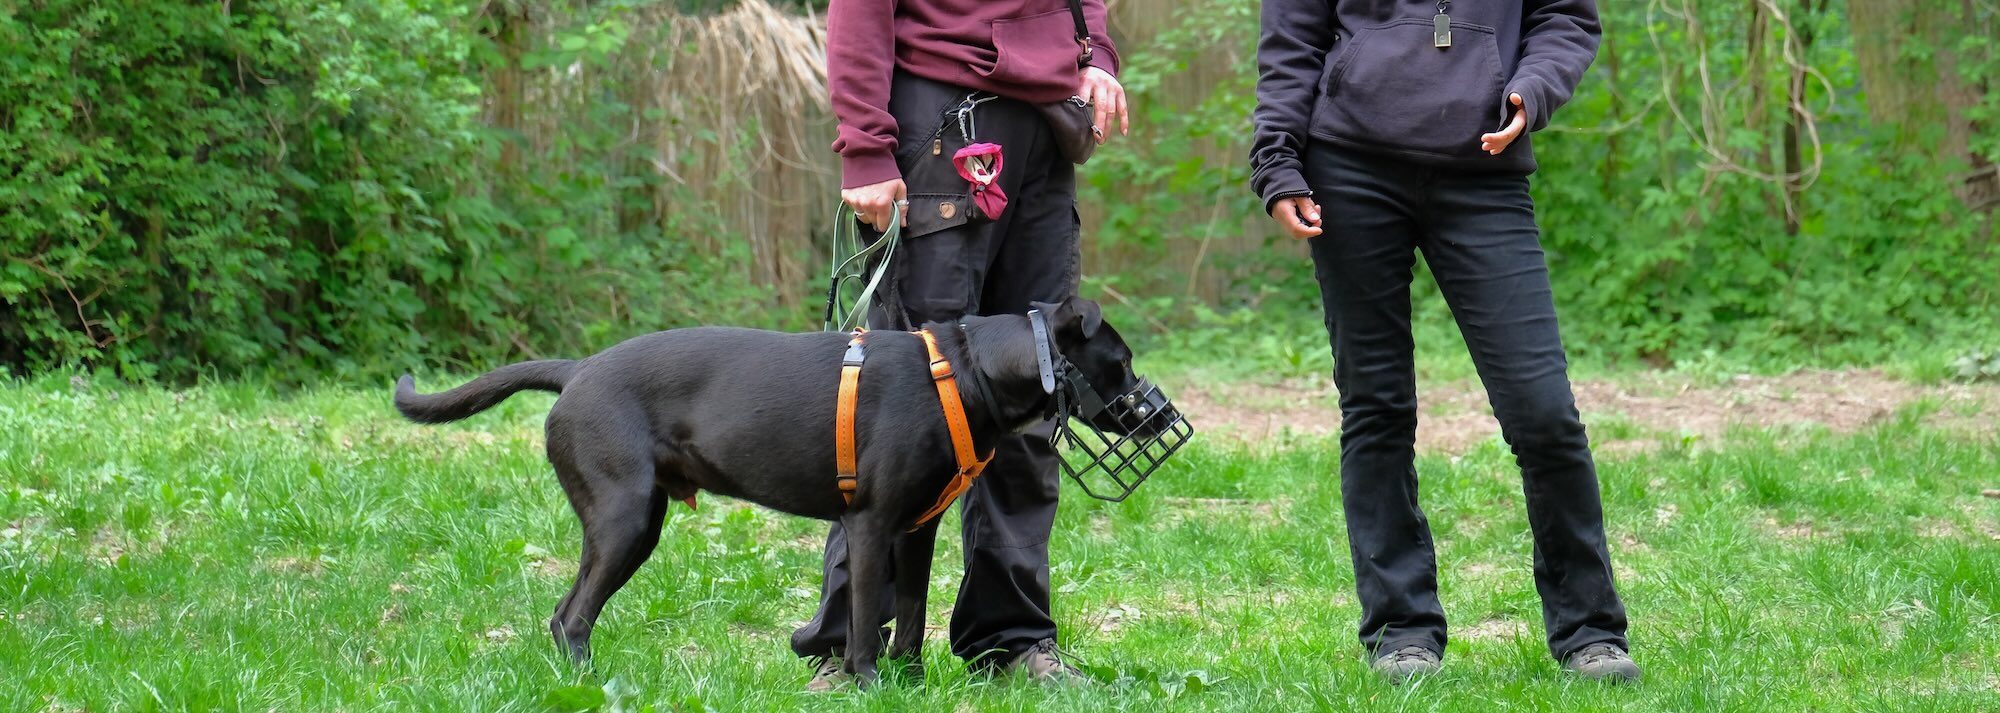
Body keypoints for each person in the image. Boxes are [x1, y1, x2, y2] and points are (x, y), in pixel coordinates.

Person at [1249, 0, 1639, 683]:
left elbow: (1566, 18)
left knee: (1543, 411)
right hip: (1349, 167)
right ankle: (1401, 630)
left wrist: (1533, 87)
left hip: (1483, 169)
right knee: (1376, 406)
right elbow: (1292, 32)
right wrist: (1277, 159)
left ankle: (1589, 630)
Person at [796, 0, 1131, 691]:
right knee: (901, 408)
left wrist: (1095, 55)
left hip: (1044, 129)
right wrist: (864, 142)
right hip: (941, 127)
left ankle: (1011, 638)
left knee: (1034, 395)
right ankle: (851, 642)